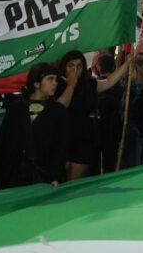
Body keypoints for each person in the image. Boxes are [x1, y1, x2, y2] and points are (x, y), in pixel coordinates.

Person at [0, 63, 69, 189]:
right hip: (13, 176)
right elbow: (3, 141)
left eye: (55, 79)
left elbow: (60, 146)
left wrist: (55, 176)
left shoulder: (58, 111)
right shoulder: (16, 108)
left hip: (42, 177)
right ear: (36, 83)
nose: (55, 83)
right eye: (50, 79)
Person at [56, 49, 132, 179]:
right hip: (62, 137)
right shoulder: (57, 84)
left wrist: (127, 63)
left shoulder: (89, 84)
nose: (75, 70)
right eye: (71, 66)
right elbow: (60, 107)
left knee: (75, 181)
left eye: (79, 66)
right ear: (64, 67)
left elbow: (108, 82)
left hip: (83, 138)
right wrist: (70, 86)